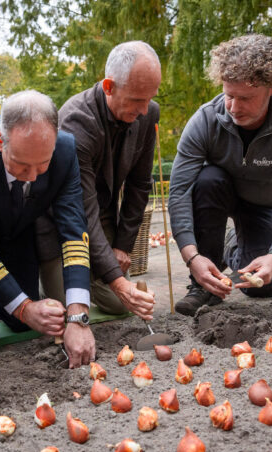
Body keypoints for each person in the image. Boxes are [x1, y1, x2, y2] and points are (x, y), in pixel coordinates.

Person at [0, 90, 95, 368]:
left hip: (15, 236)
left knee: (23, 324)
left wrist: (78, 315)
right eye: (22, 165)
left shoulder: (65, 150)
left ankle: (4, 301)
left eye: (43, 164)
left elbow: (74, 232)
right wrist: (24, 306)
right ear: (1, 141)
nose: (33, 177)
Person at [168, 33, 272, 316]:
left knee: (260, 286)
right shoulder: (205, 120)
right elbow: (179, 191)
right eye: (229, 96)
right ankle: (203, 286)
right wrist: (192, 257)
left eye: (246, 98)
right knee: (208, 179)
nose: (234, 109)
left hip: (263, 204)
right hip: (215, 195)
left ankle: (231, 249)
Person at [37, 41, 159, 321]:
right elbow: (82, 210)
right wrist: (117, 280)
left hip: (101, 216)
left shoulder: (148, 111)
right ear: (109, 87)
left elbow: (140, 185)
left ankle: (93, 271)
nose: (144, 110)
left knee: (119, 305)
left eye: (150, 98)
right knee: (65, 309)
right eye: (136, 100)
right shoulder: (75, 123)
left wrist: (122, 247)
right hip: (60, 222)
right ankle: (48, 279)